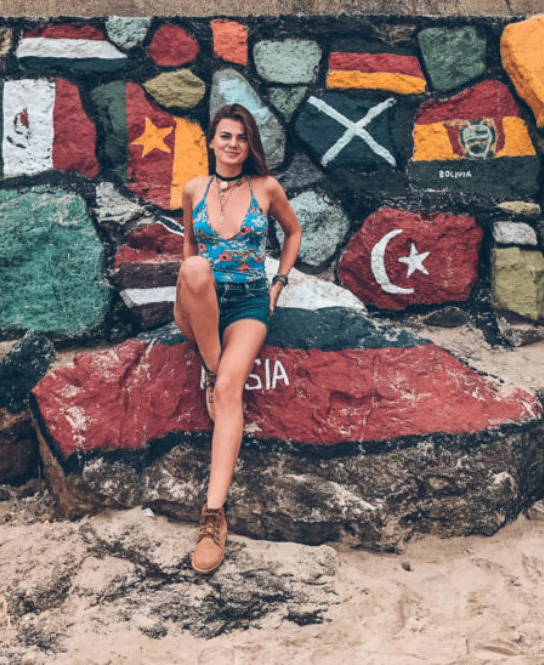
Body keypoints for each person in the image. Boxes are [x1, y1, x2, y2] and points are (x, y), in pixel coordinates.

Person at [173, 104, 302, 574]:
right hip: (200, 304)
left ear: (250, 146)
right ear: (211, 141)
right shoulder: (192, 189)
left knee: (231, 390)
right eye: (225, 136)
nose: (232, 144)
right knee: (194, 267)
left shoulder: (266, 188)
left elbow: (293, 232)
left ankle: (212, 516)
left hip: (249, 300)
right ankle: (212, 366)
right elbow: (189, 250)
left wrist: (278, 283)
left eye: (241, 138)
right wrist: (191, 290)